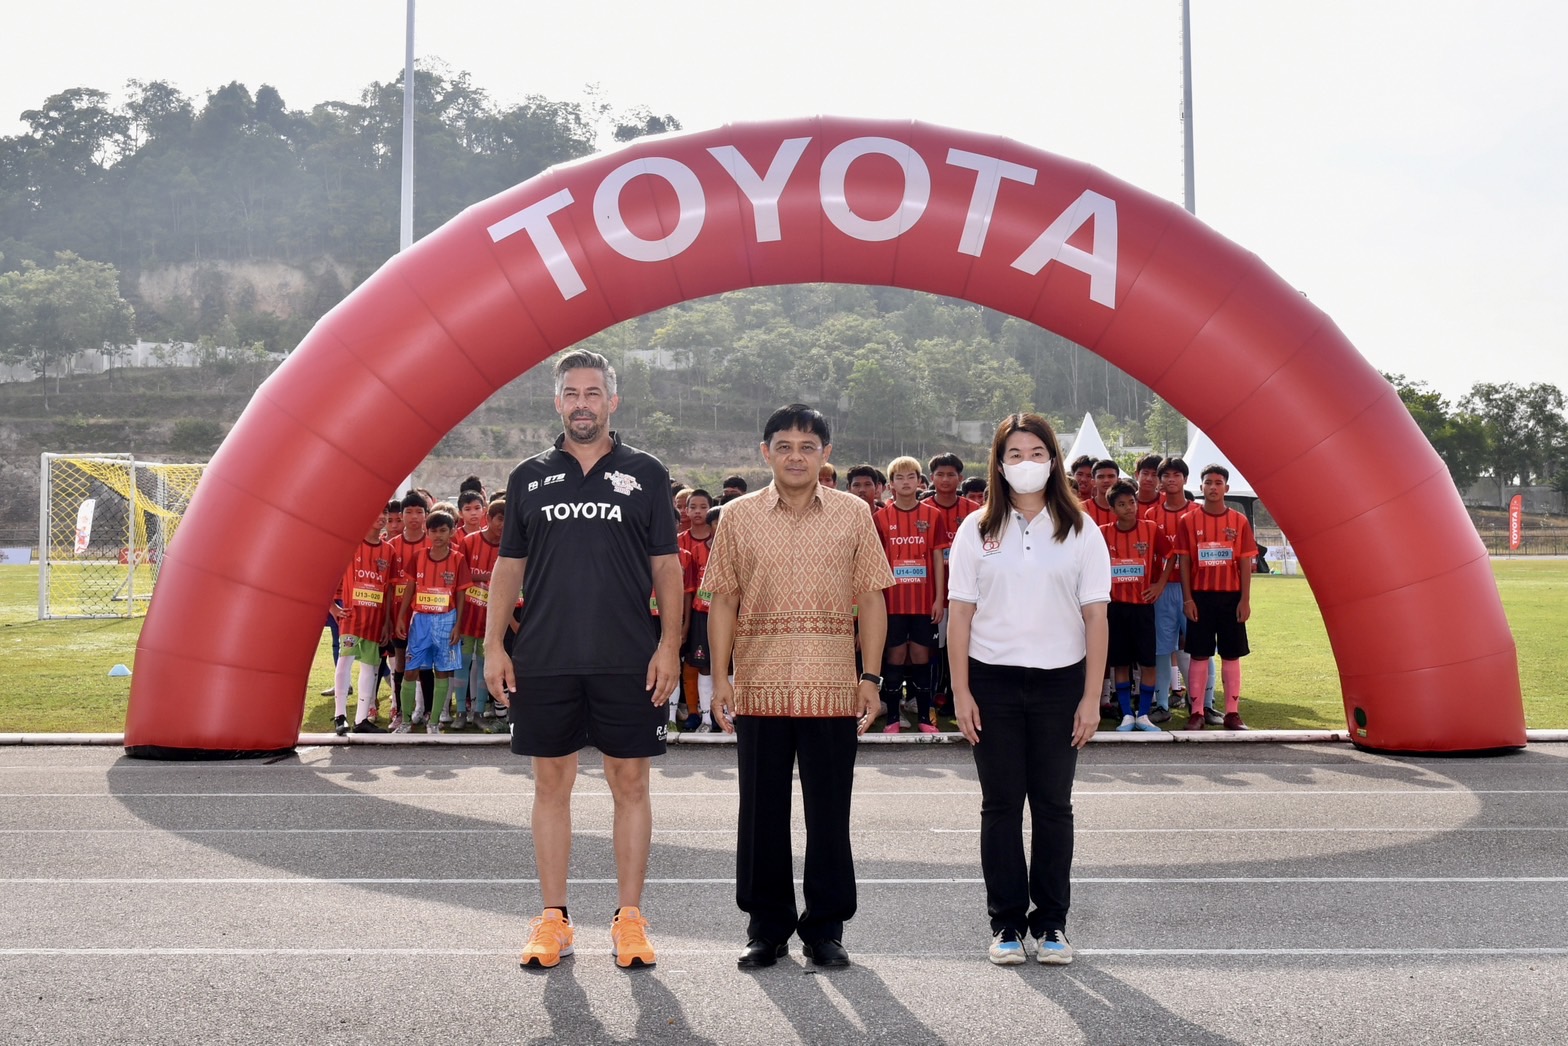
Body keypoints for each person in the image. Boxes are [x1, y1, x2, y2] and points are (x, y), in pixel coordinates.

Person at [484, 348, 682, 971]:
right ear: (557, 402)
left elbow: (667, 568)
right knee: (552, 785)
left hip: (628, 657)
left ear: (612, 402)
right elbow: (508, 567)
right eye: (572, 393)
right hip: (544, 656)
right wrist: (494, 644)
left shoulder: (646, 473)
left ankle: (629, 919)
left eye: (593, 393)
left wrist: (671, 645)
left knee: (631, 783)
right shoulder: (528, 476)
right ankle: (553, 920)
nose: (582, 404)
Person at [704, 403, 896, 971]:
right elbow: (723, 600)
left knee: (829, 812)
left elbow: (873, 599)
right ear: (766, 453)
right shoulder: (736, 516)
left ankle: (826, 929)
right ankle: (766, 928)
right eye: (784, 446)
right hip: (758, 687)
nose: (795, 456)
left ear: (825, 455)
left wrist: (871, 677)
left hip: (835, 686)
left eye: (807, 447)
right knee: (761, 812)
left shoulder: (853, 514)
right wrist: (722, 678)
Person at [947, 412, 1110, 967]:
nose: (1025, 464)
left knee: (1053, 807)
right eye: (1014, 454)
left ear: (1054, 460)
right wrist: (961, 692)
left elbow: (1095, 618)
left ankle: (1053, 924)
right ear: (998, 463)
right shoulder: (976, 529)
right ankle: (1007, 925)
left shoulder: (1082, 529)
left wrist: (1091, 698)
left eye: (1036, 453)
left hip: (1060, 683)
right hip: (990, 680)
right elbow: (960, 614)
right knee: (1000, 806)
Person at [1176, 464, 1258, 731]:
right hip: (1201, 597)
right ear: (1201, 488)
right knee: (1199, 655)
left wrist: (1245, 600)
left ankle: (1232, 713)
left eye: (1218, 482)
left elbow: (1245, 562)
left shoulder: (1239, 520)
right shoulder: (1188, 521)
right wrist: (1188, 599)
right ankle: (1197, 712)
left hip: (1231, 596)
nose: (1213, 487)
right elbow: (1185, 561)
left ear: (1226, 488)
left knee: (1231, 654)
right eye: (1208, 482)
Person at [873, 455, 948, 733]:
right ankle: (893, 717)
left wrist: (939, 599)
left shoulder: (933, 515)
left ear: (919, 481)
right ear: (890, 484)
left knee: (921, 658)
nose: (905, 483)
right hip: (892, 603)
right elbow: (875, 562)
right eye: (899, 478)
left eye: (910, 477)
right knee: (893, 659)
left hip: (924, 603)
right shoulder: (881, 518)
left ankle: (926, 719)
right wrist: (877, 602)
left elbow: (938, 557)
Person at [393, 510, 470, 735]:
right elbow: (409, 588)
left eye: (443, 531)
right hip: (421, 621)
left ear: (452, 532)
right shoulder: (418, 556)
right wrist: (400, 617)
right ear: (427, 532)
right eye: (433, 531)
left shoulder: (458, 559)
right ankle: (406, 721)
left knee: (442, 671)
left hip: (447, 620)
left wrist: (458, 625)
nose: (438, 535)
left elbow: (461, 595)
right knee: (410, 670)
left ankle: (434, 722)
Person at [1100, 481, 1168, 732]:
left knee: (1148, 663)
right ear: (1112, 508)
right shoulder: (1103, 532)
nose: (1129, 508)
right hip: (1116, 608)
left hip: (1143, 607)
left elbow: (1171, 555)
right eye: (1121, 504)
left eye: (1132, 502)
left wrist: (1160, 584)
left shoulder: (1150, 529)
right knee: (1121, 663)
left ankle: (1144, 715)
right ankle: (1127, 714)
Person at [331, 506, 395, 734]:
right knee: (345, 661)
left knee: (371, 666)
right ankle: (339, 716)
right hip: (351, 618)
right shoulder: (350, 546)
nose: (381, 518)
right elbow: (327, 576)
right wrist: (333, 609)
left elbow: (388, 590)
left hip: (374, 621)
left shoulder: (389, 551)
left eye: (384, 514)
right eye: (375, 513)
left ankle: (361, 719)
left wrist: (387, 622)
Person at [677, 489, 719, 732]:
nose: (697, 512)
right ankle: (693, 713)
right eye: (692, 507)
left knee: (718, 664)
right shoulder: (680, 541)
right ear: (686, 510)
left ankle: (720, 714)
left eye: (703, 507)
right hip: (686, 609)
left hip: (715, 611)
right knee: (691, 663)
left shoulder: (721, 543)